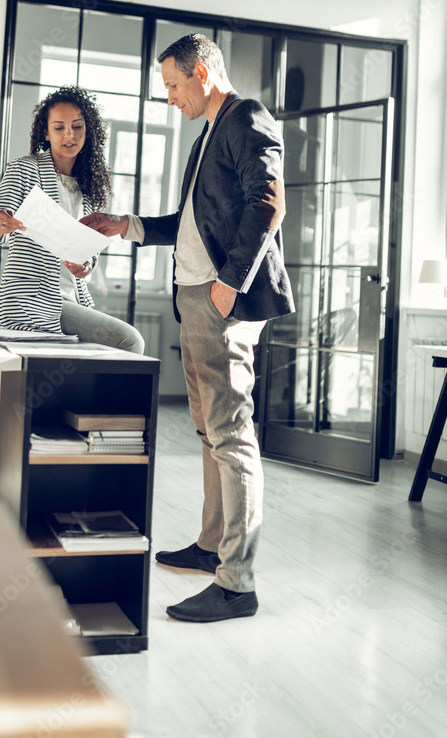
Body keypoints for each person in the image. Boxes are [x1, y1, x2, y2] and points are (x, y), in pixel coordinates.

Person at [82, 34, 294, 622]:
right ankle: (211, 546)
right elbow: (190, 222)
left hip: (223, 299)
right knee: (208, 431)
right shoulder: (207, 134)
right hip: (197, 298)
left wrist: (230, 281)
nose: (170, 97)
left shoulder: (246, 118)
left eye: (174, 85)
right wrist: (124, 225)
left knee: (231, 434)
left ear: (201, 73)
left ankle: (238, 583)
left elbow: (267, 202)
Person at [0, 84, 144, 353]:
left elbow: (91, 251)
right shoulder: (24, 170)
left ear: (87, 130)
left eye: (77, 127)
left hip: (72, 299)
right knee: (130, 340)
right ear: (46, 132)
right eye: (59, 128)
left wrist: (86, 266)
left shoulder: (91, 184)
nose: (69, 135)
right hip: (30, 300)